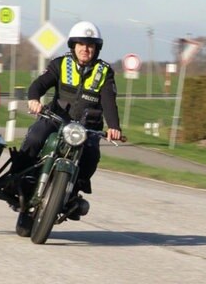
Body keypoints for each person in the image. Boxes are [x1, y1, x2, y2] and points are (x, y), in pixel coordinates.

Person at [10, 20, 122, 221]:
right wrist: (34, 99)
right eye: (81, 44)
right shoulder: (60, 64)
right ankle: (17, 177)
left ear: (96, 48)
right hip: (55, 119)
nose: (85, 49)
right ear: (73, 46)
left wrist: (114, 126)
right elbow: (38, 85)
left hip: (87, 128)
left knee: (92, 156)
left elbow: (109, 102)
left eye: (90, 45)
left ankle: (73, 191)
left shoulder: (104, 71)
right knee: (35, 138)